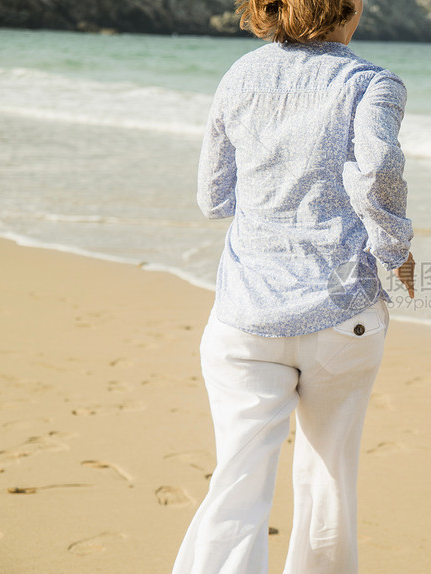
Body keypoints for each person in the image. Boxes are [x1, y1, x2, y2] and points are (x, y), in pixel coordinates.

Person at [171, 1, 415, 572]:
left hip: (246, 314)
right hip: (342, 314)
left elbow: (213, 199)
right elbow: (378, 171)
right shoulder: (371, 83)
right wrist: (395, 252)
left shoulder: (239, 77)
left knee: (235, 483)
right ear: (347, 10)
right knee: (328, 479)